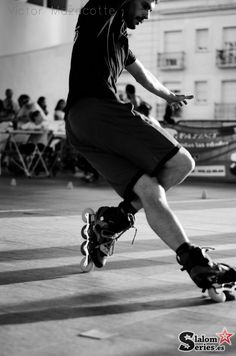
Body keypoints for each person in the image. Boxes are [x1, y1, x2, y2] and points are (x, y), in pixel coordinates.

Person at [65, 0, 236, 291]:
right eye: (144, 5)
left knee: (149, 190)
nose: (147, 13)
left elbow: (141, 72)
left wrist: (169, 95)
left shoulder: (119, 41)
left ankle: (194, 262)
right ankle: (115, 220)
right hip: (98, 111)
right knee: (182, 162)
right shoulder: (98, 17)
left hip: (79, 126)